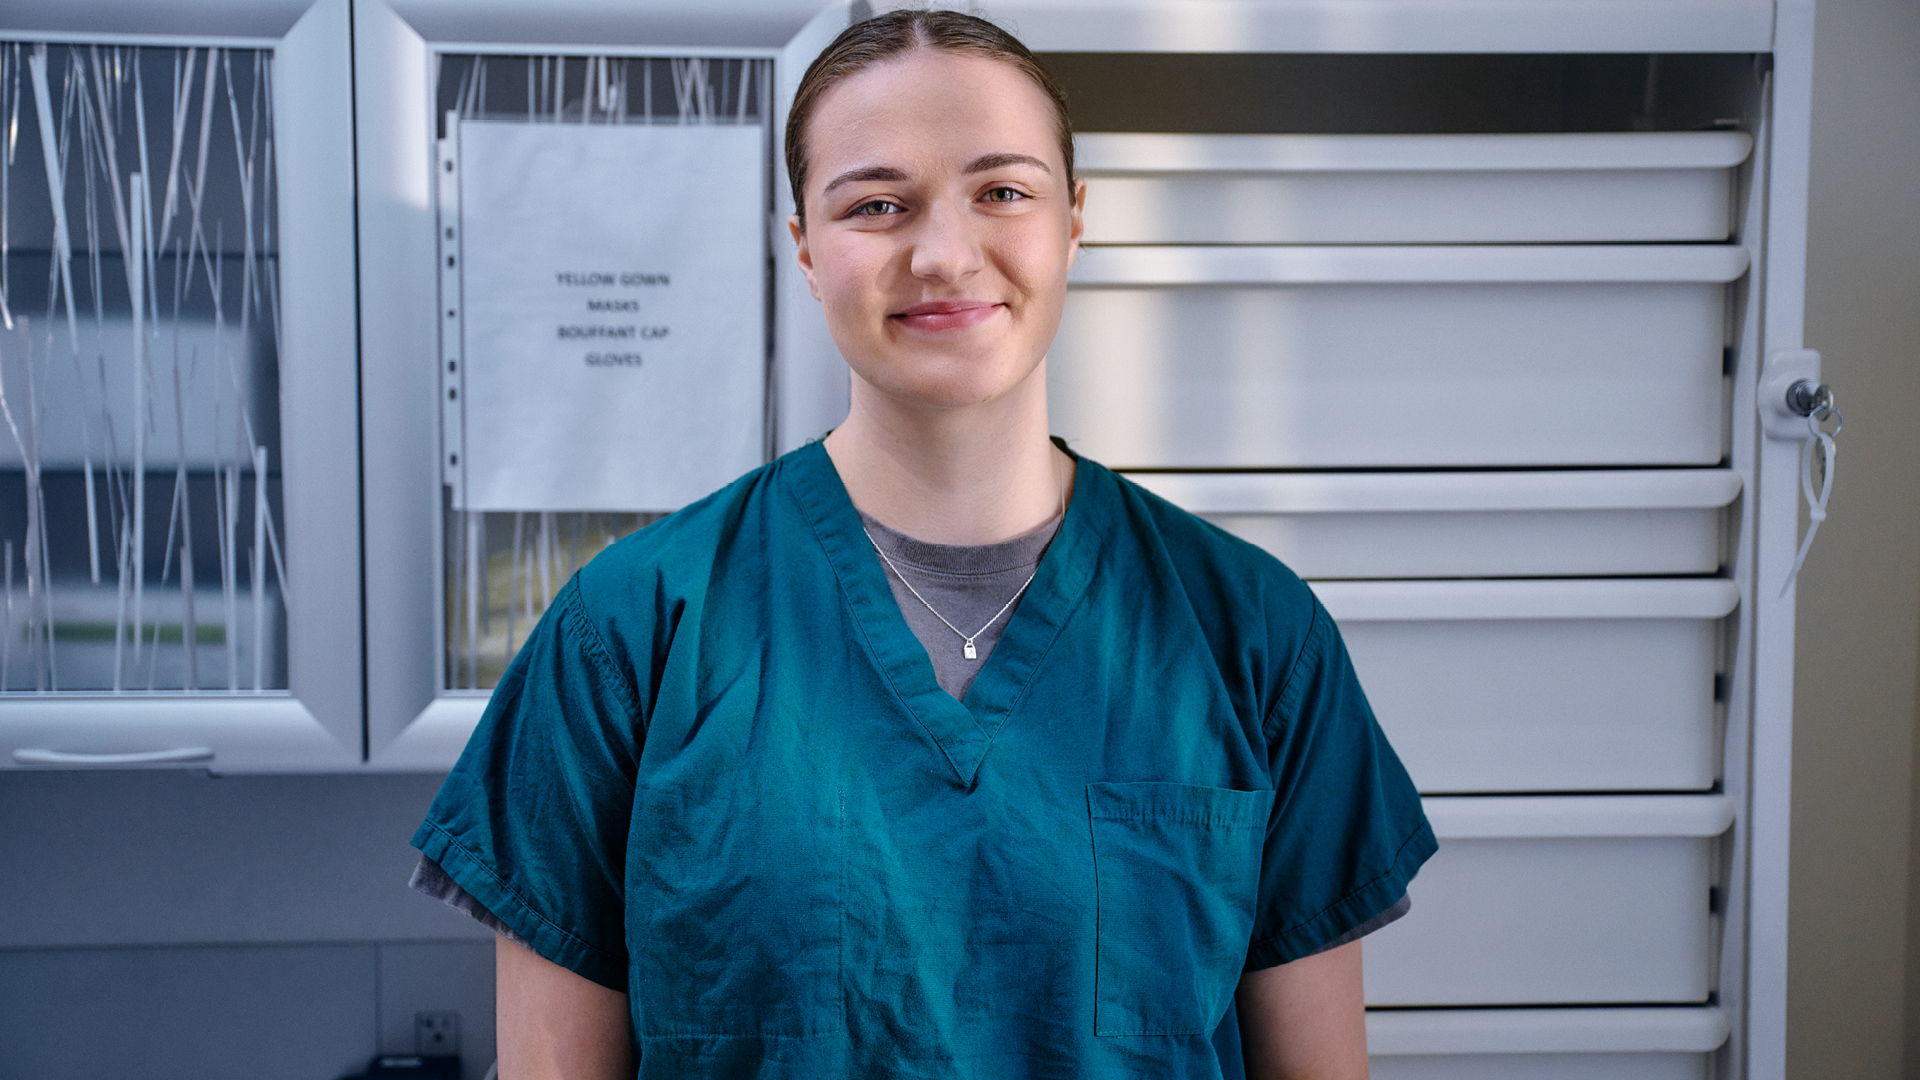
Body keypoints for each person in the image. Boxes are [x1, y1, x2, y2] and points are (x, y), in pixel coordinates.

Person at [410, 10, 1434, 1079]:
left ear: (1072, 224)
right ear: (804, 247)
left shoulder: (1252, 632)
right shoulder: (625, 636)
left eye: (1002, 191)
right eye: (878, 204)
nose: (945, 254)